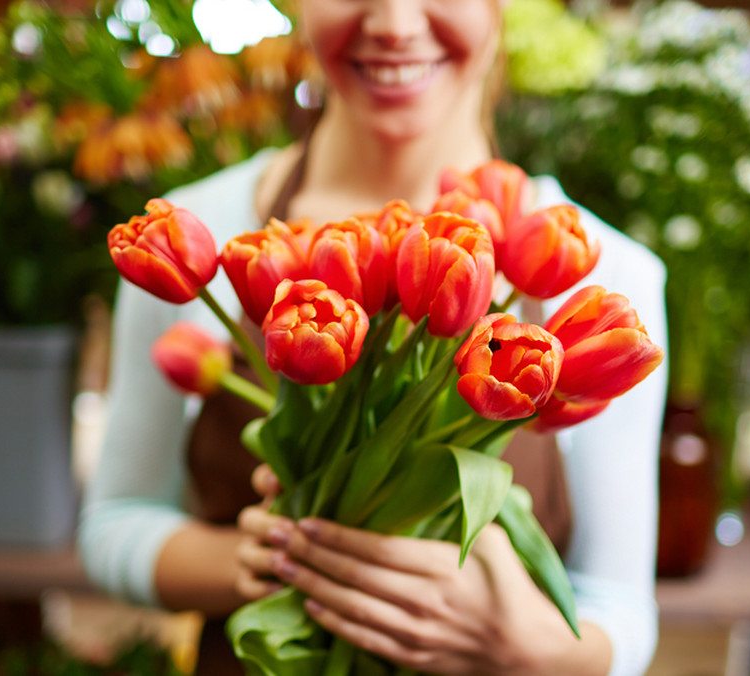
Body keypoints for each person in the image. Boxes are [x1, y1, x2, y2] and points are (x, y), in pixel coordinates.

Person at [78, 1, 669, 675]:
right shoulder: (201, 234)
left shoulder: (608, 275)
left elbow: (618, 612)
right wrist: (270, 557)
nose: (393, 22)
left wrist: (526, 645)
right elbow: (114, 523)